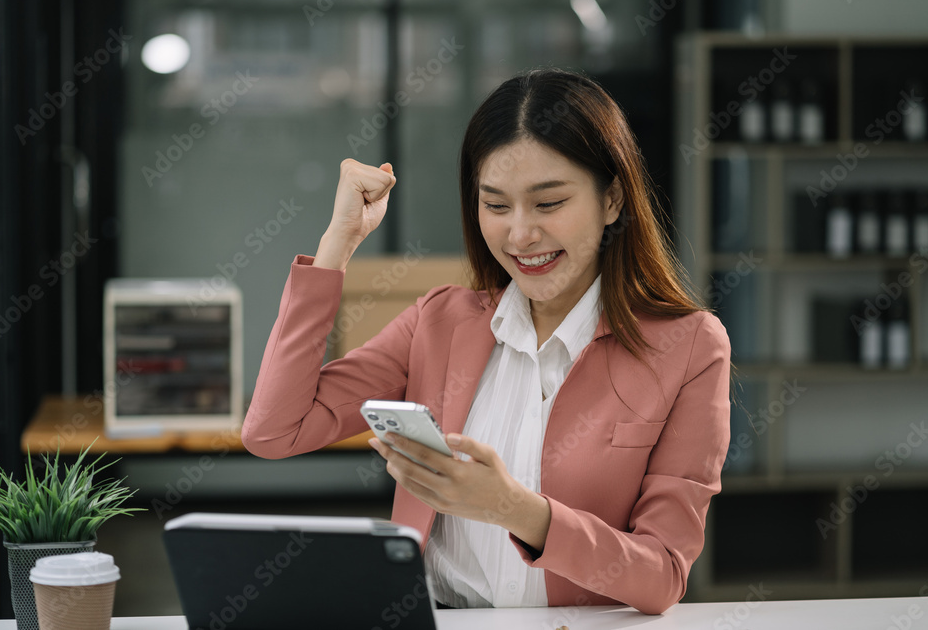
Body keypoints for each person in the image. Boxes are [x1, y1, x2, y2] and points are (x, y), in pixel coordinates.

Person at [241, 68, 732, 615]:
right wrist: (339, 243)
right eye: (496, 206)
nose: (520, 234)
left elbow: (661, 575)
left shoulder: (689, 347)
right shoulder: (440, 322)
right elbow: (273, 432)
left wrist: (513, 509)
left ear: (613, 199)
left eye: (548, 204)